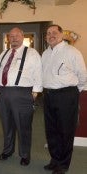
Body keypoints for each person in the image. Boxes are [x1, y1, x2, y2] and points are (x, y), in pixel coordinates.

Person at [42, 24, 87, 174]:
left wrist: (73, 92)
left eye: (54, 32)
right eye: (48, 33)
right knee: (51, 130)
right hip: (48, 95)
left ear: (61, 35)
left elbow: (83, 76)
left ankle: (63, 164)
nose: (51, 35)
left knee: (65, 131)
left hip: (66, 96)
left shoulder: (72, 52)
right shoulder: (45, 53)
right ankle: (55, 160)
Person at [0, 27, 42, 166]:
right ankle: (8, 150)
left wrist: (35, 92)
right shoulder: (4, 53)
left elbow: (38, 73)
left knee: (23, 126)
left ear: (22, 36)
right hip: (3, 93)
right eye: (11, 36)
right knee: (7, 125)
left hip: (22, 93)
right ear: (8, 38)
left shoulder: (32, 53)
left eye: (17, 35)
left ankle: (25, 154)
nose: (14, 38)